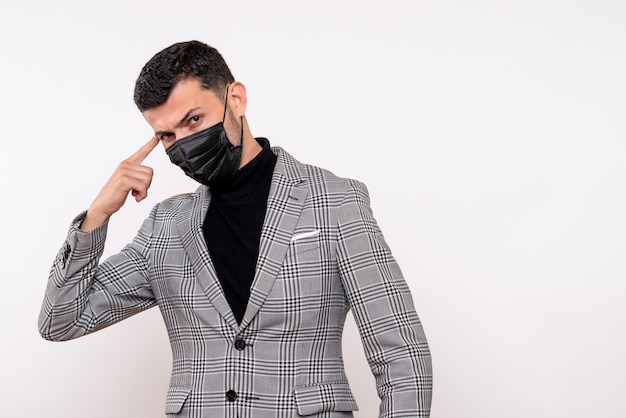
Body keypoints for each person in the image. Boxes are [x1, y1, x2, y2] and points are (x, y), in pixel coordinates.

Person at [38, 40, 432, 417]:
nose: (184, 144)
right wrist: (97, 215)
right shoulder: (167, 226)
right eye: (167, 135)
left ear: (236, 99)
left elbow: (402, 354)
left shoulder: (335, 201)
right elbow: (61, 320)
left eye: (194, 120)